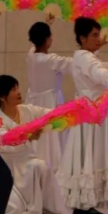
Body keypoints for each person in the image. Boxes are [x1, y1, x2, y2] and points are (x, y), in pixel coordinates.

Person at [57, 17, 108, 214]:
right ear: (82, 38)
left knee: (92, 152)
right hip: (91, 110)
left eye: (98, 34)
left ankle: (85, 202)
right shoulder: (84, 57)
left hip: (95, 108)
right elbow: (105, 76)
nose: (98, 39)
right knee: (89, 153)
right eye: (94, 35)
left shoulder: (88, 56)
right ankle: (83, 203)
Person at [0, 75, 70, 214]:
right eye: (13, 89)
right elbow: (2, 140)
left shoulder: (26, 110)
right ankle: (31, 207)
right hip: (5, 166)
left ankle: (47, 208)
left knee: (40, 166)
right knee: (14, 209)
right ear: (2, 97)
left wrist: (69, 111)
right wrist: (28, 136)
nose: (18, 92)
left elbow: (48, 114)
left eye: (17, 88)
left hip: (26, 159)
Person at [25, 17, 72, 168]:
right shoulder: (51, 60)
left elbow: (34, 47)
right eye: (50, 36)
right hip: (50, 103)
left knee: (37, 139)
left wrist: (47, 23)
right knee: (51, 140)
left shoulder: (31, 55)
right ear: (46, 40)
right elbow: (74, 65)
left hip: (32, 103)